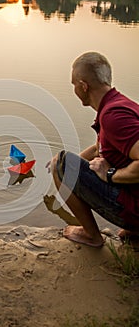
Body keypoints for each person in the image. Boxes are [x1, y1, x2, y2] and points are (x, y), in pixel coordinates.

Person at [48, 52, 139, 247]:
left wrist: (110, 174)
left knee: (60, 162)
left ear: (83, 86)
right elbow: (101, 149)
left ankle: (91, 235)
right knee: (65, 163)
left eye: (74, 84)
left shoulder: (114, 117)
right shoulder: (120, 104)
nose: (74, 89)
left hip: (135, 210)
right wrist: (74, 167)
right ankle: (133, 231)